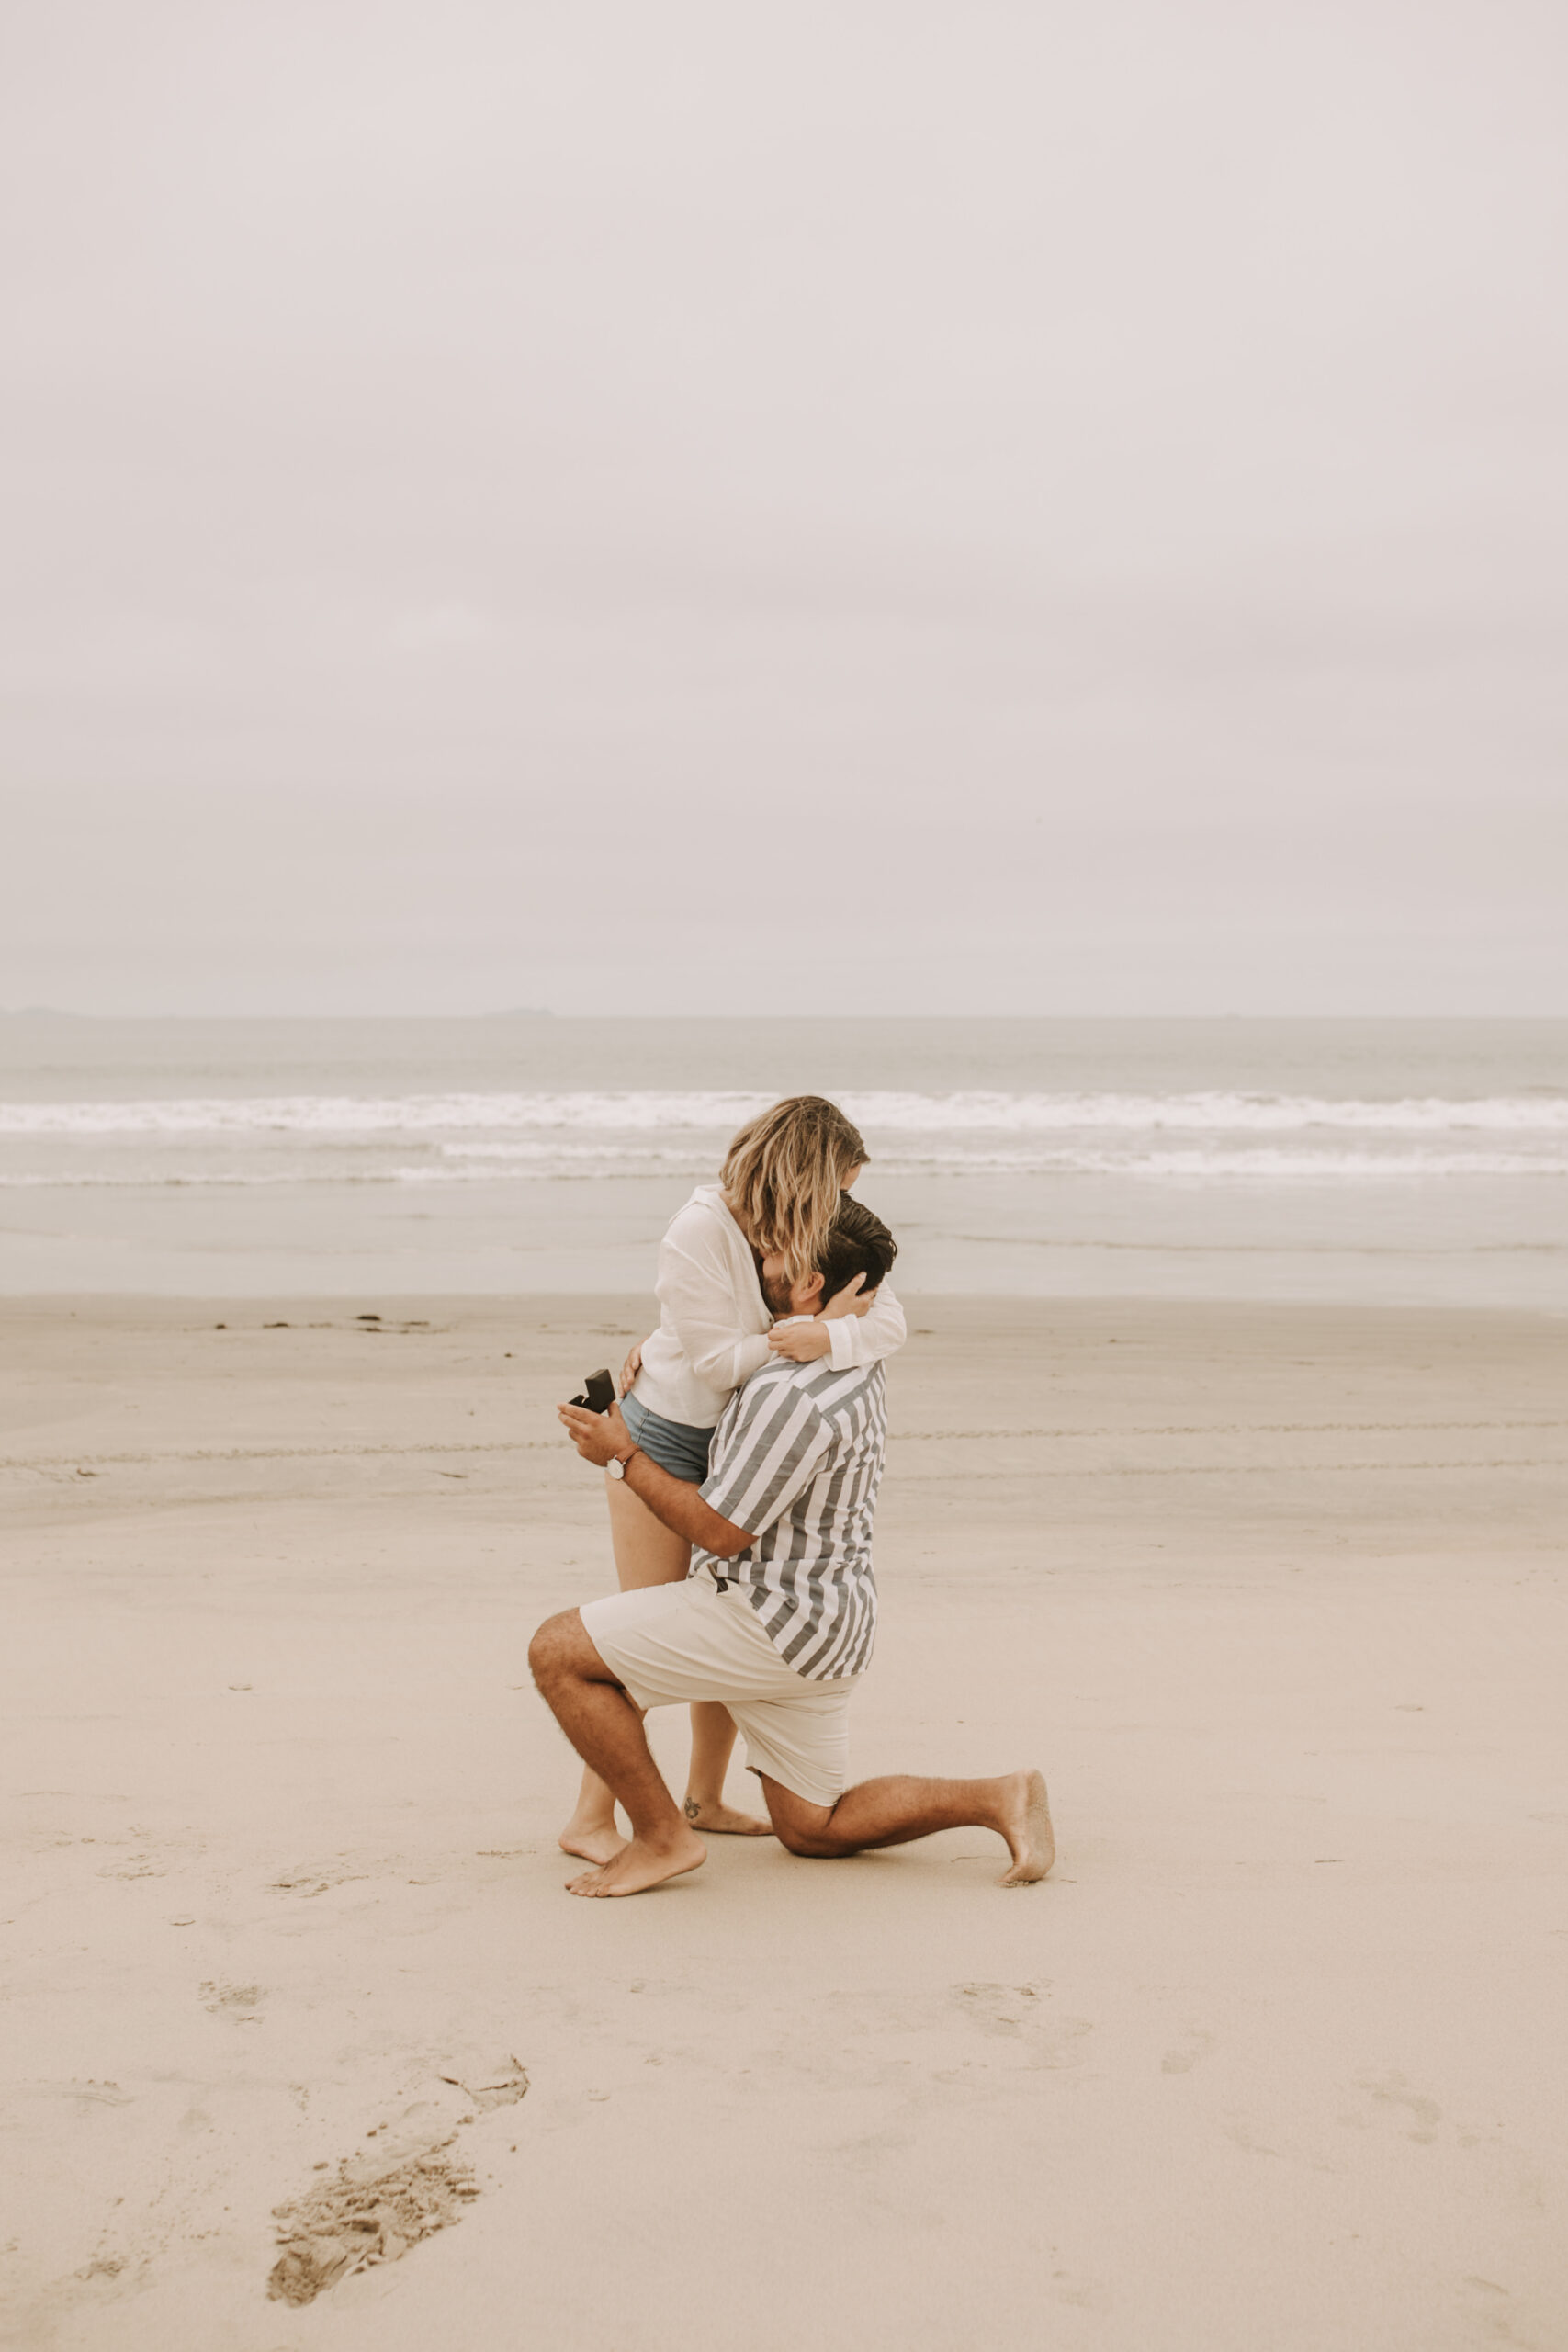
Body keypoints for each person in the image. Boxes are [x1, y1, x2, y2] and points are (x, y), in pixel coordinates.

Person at [533, 1197, 1054, 1899]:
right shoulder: (851, 1353)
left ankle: (660, 1838)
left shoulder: (792, 1391)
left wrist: (621, 1455)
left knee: (558, 1653)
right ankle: (999, 1796)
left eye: (771, 1254)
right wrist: (661, 1350)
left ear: (809, 1282)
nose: (757, 1263)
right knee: (814, 1827)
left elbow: (718, 1531)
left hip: (766, 1620)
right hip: (828, 1628)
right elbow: (739, 1348)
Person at [558, 1095, 907, 1865]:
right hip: (670, 1436)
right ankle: (590, 1818)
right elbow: (717, 1363)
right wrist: (805, 1340)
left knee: (720, 1619)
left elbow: (887, 1316)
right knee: (643, 1633)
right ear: (810, 1174)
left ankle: (705, 1797)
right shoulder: (699, 1230)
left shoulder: (807, 1229)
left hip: (744, 1441)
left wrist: (837, 1331)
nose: (846, 1202)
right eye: (841, 1184)